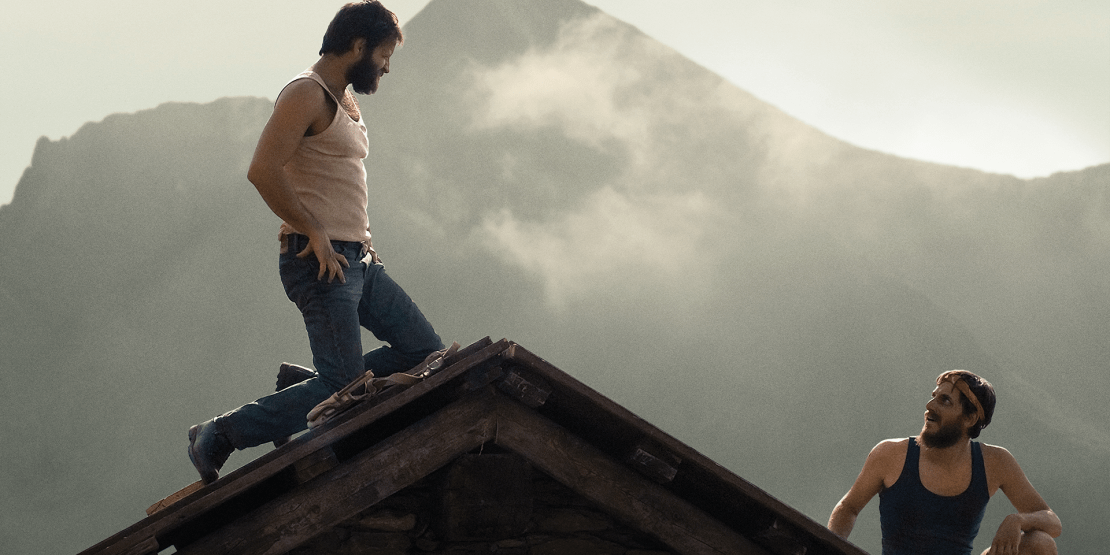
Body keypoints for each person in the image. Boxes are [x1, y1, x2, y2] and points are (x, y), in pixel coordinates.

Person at [187, 0, 445, 484]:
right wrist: (316, 230)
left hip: (358, 260)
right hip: (317, 260)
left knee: (424, 353)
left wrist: (356, 241)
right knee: (344, 385)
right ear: (358, 45)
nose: (387, 67)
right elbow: (262, 171)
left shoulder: (343, 97)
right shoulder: (306, 93)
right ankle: (220, 434)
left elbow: (332, 179)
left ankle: (310, 386)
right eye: (385, 55)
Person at [827, 370, 1061, 555]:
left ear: (970, 418)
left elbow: (1052, 521)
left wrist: (1018, 520)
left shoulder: (995, 462)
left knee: (1040, 543)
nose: (930, 406)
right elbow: (848, 508)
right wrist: (828, 548)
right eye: (933, 397)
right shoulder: (890, 454)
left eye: (945, 401)